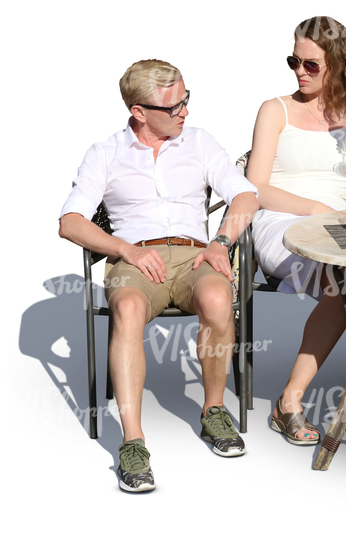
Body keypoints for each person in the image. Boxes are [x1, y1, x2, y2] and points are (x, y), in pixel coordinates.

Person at [59, 59, 259, 492]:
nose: (185, 112)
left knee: (218, 300)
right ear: (138, 111)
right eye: (174, 107)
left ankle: (214, 412)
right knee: (127, 309)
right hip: (134, 260)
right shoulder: (106, 153)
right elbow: (70, 221)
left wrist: (221, 242)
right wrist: (125, 249)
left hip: (195, 256)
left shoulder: (200, 142)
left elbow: (245, 194)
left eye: (187, 100)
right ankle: (133, 442)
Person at [246, 16, 346, 445]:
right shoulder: (275, 109)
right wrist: (313, 208)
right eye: (294, 61)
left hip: (342, 224)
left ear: (338, 62)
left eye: (311, 64)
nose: (299, 71)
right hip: (284, 222)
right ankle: (291, 402)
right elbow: (256, 188)